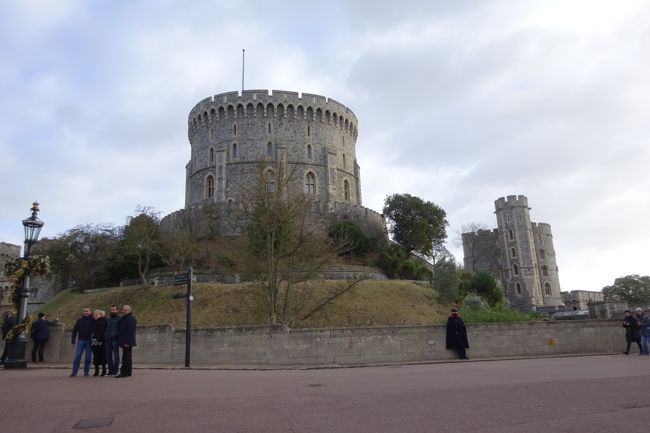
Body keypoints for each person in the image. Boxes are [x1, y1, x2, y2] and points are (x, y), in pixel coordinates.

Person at [70, 307, 94, 377]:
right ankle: (74, 372)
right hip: (81, 340)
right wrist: (73, 341)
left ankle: (86, 372)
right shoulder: (79, 320)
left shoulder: (93, 320)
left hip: (89, 341)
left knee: (88, 357)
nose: (85, 312)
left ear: (90, 312)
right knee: (77, 356)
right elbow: (74, 331)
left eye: (87, 311)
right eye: (84, 311)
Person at [116, 305, 137, 378]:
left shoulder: (130, 319)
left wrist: (127, 342)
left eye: (125, 310)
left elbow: (131, 332)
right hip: (124, 341)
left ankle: (124, 372)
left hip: (127, 342)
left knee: (126, 357)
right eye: (123, 310)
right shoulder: (124, 318)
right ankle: (128, 372)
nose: (124, 311)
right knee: (126, 356)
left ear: (129, 310)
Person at [104, 305, 121, 375]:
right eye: (111, 310)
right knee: (108, 356)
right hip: (107, 340)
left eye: (114, 310)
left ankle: (115, 370)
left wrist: (116, 335)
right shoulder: (108, 319)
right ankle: (110, 370)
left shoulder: (119, 318)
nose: (112, 311)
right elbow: (106, 328)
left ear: (117, 310)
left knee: (116, 355)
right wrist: (105, 335)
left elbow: (120, 329)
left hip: (115, 340)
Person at [90, 310, 108, 376]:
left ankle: (104, 370)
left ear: (100, 315)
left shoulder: (102, 321)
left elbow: (101, 332)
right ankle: (96, 370)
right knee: (96, 356)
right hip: (94, 340)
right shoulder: (94, 322)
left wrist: (98, 340)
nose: (95, 316)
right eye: (94, 314)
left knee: (102, 355)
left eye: (96, 314)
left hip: (100, 341)